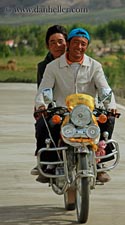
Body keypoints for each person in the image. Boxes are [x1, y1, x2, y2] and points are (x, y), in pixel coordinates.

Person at [34, 28, 117, 183]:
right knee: (45, 123)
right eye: (76, 43)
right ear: (69, 44)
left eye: (83, 44)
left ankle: (100, 159)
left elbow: (104, 89)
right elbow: (44, 89)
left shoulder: (95, 66)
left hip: (89, 112)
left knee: (109, 119)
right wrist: (41, 104)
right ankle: (49, 162)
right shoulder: (52, 66)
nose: (79, 47)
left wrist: (111, 105)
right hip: (62, 111)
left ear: (87, 46)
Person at [31, 25, 67, 175]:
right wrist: (44, 105)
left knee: (104, 121)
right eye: (52, 42)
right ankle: (45, 161)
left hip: (80, 107)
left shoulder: (80, 61)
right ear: (47, 46)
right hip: (55, 107)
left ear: (67, 43)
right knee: (43, 124)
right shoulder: (44, 67)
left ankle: (99, 162)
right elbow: (44, 89)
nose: (57, 46)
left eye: (60, 41)